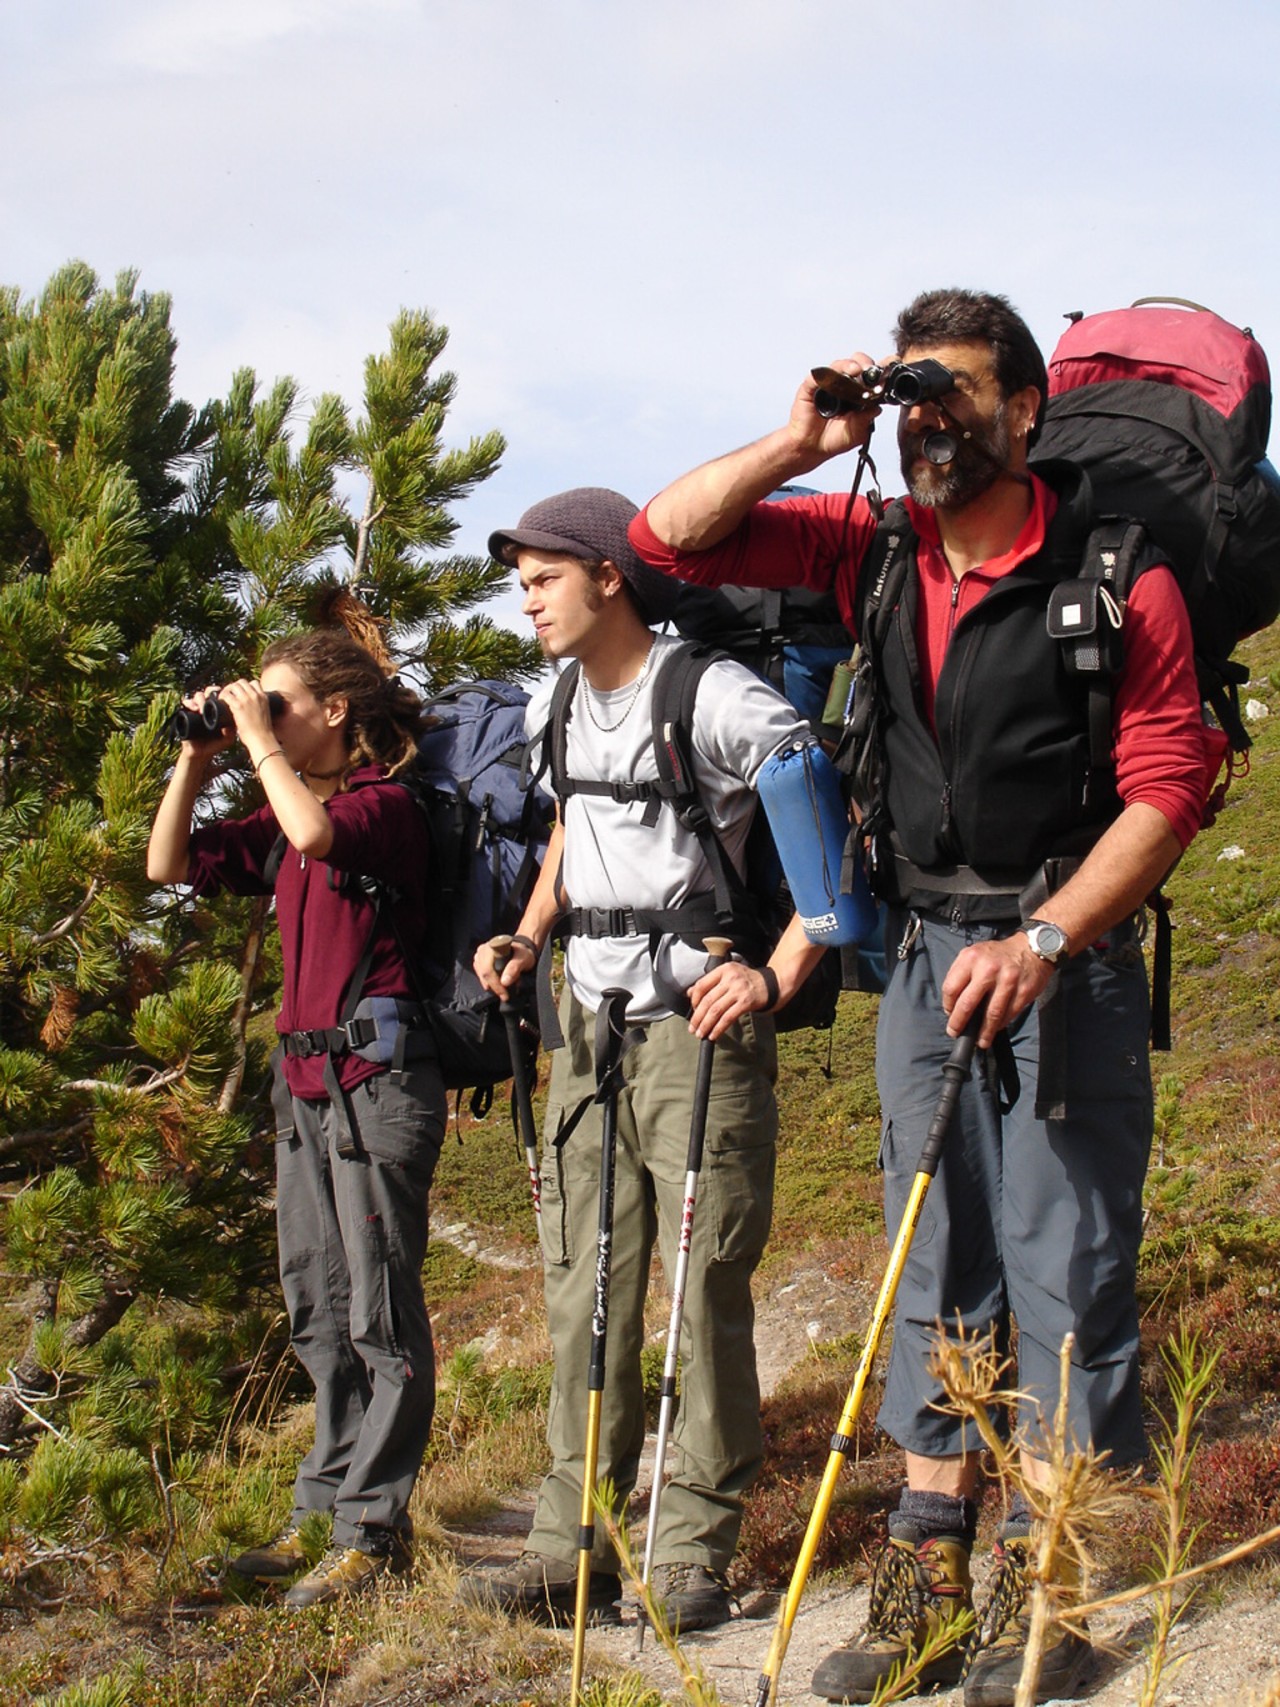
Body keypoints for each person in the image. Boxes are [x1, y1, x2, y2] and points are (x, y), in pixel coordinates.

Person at [630, 291, 1216, 1704]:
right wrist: (798, 438)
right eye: (912, 399)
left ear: (1027, 411)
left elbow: (1169, 785)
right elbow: (666, 539)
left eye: (956, 392)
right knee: (929, 1243)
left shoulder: (1115, 573)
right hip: (919, 944)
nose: (928, 421)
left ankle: (1051, 1574)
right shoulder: (872, 554)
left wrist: (1052, 941)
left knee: (1063, 1257)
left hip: (1057, 959)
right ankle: (927, 1566)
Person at [457, 486, 821, 1633]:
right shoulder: (551, 701)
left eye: (543, 578)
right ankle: (577, 1542)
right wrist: (529, 928)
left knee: (701, 1280)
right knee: (585, 1286)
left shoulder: (705, 692)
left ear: (608, 573)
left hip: (696, 1023)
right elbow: (572, 823)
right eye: (519, 583)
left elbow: (821, 804)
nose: (526, 601)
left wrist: (778, 968)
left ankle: (692, 1552)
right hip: (585, 1023)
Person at [147, 629, 444, 1608]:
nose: (258, 719)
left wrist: (256, 744)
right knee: (319, 1308)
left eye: (276, 702)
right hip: (304, 1087)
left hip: (374, 1081)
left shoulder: (384, 809)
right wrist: (198, 758)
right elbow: (166, 864)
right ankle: (321, 1509)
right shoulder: (287, 819)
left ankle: (374, 1531)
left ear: (335, 711)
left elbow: (318, 837)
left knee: (379, 1313)